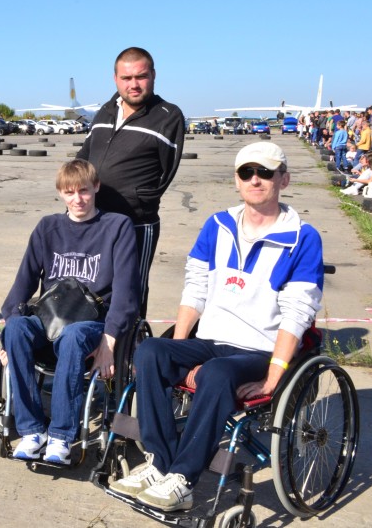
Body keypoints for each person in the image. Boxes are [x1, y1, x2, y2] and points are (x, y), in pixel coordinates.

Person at [110, 142, 323, 512]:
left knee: (217, 372)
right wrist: (177, 351)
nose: (255, 179)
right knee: (152, 351)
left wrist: (273, 377)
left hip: (258, 350)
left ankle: (183, 479)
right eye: (246, 172)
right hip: (211, 340)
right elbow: (195, 289)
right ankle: (159, 463)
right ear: (236, 181)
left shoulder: (302, 238)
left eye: (265, 172)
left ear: (283, 180)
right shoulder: (218, 225)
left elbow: (297, 314)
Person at [0, 160, 139, 465]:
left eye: (84, 191)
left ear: (96, 187)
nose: (78, 199)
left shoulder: (117, 227)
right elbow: (22, 284)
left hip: (92, 321)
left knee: (74, 335)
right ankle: (32, 431)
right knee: (16, 329)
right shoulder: (47, 227)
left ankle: (61, 436)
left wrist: (109, 341)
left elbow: (126, 293)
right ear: (60, 193)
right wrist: (9, 333)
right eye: (69, 192)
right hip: (51, 317)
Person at [76, 47, 185, 318]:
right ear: (115, 79)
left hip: (137, 222)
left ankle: (131, 341)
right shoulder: (105, 111)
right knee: (90, 284)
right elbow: (84, 157)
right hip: (94, 218)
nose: (133, 84)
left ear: (153, 76)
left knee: (131, 288)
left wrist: (140, 199)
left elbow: (167, 170)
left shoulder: (167, 116)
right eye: (126, 78)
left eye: (141, 76)